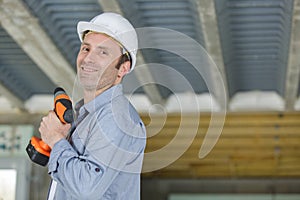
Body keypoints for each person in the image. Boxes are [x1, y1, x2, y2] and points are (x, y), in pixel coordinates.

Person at [39, 12, 147, 199]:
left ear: (123, 68)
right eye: (86, 49)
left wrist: (56, 140)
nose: (88, 58)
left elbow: (86, 189)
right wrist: (60, 145)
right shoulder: (86, 115)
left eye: (103, 52)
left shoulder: (116, 117)